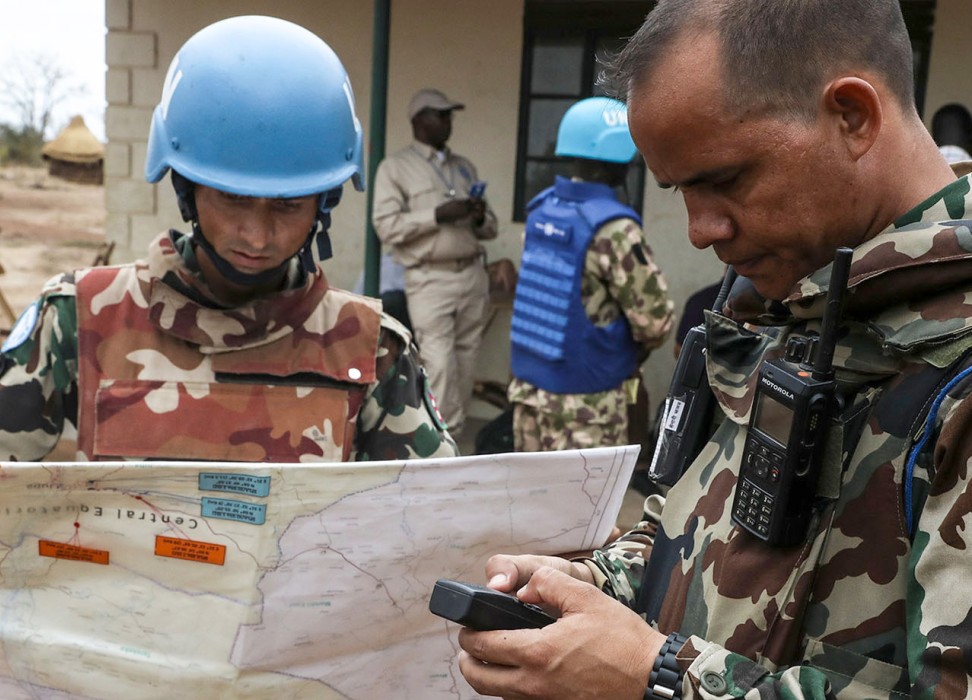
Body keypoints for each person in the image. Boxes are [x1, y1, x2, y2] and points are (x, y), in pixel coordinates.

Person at [456, 1, 972, 698]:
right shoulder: (783, 302)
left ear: (851, 115)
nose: (701, 231)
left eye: (725, 180)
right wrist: (591, 585)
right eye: (678, 190)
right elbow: (687, 532)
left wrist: (657, 677)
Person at [0, 16, 456, 463]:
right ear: (186, 189)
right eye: (232, 199)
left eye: (287, 205)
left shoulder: (373, 350)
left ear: (324, 203)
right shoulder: (76, 318)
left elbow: (432, 517)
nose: (257, 237)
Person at [507, 96, 673, 452]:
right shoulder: (613, 227)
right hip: (586, 406)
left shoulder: (541, 211)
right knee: (582, 507)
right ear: (615, 156)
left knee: (531, 504)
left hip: (528, 396)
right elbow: (655, 323)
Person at [372, 88, 498, 439]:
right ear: (418, 120)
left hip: (471, 273)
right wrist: (437, 215)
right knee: (439, 365)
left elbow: (491, 228)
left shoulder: (463, 167)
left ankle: (451, 438)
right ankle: (442, 443)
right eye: (439, 115)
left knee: (466, 364)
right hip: (430, 278)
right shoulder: (395, 168)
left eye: (449, 115)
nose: (447, 122)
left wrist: (476, 216)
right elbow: (386, 227)